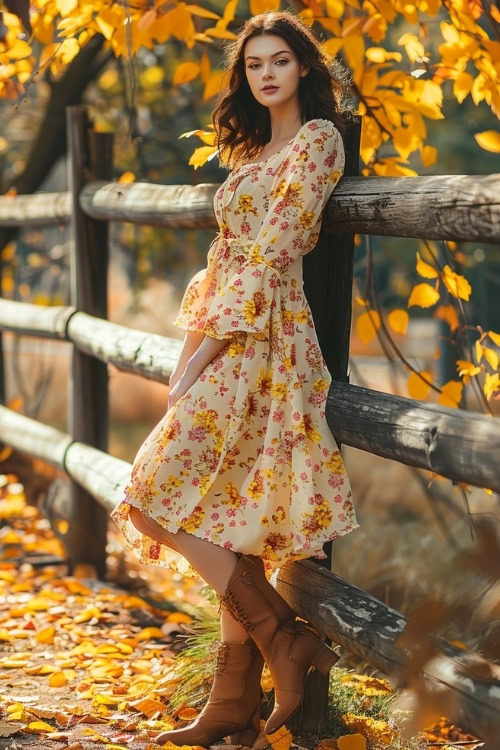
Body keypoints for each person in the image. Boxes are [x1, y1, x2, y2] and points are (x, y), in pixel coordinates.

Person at [110, 9, 360, 747]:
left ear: (304, 70)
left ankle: (282, 640)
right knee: (224, 514)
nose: (267, 74)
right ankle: (233, 698)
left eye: (280, 61)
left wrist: (204, 355)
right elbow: (222, 261)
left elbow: (274, 252)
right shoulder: (252, 151)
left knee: (151, 498)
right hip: (225, 331)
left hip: (267, 339)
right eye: (255, 65)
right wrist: (188, 350)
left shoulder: (317, 142)